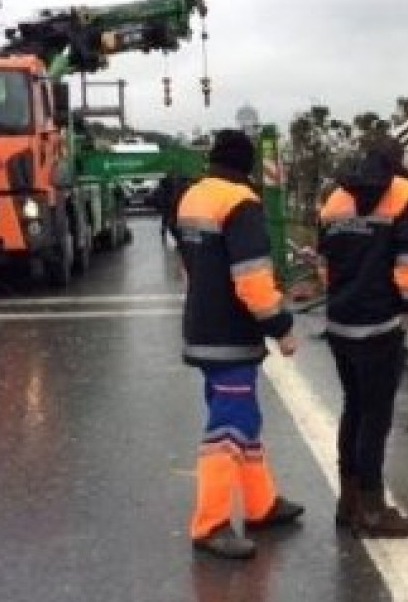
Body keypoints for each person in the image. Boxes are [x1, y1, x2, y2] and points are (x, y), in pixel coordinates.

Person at [176, 129, 303, 560]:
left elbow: (191, 267)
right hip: (230, 334)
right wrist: (282, 327)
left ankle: (261, 504)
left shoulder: (194, 197)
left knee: (244, 419)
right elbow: (252, 280)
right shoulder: (240, 203)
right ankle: (210, 524)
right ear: (247, 167)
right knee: (230, 425)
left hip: (203, 327)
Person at [317, 135, 408, 538]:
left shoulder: (335, 198)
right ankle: (371, 510)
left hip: (340, 322)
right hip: (380, 326)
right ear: (398, 161)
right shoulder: (407, 196)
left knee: (354, 408)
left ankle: (347, 502)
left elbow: (325, 261)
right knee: (376, 415)